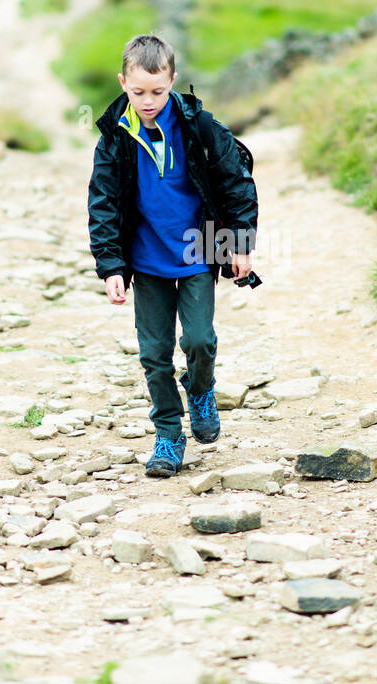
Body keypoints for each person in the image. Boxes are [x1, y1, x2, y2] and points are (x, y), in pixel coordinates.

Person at [87, 34, 258, 478]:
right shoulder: (114, 138)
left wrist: (239, 242)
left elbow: (235, 182)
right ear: (123, 82)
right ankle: (168, 434)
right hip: (145, 260)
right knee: (154, 353)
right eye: (138, 91)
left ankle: (200, 390)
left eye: (158, 92)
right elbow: (103, 203)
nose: (149, 101)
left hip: (200, 249)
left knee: (200, 339)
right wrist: (111, 266)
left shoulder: (199, 125)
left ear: (173, 81)